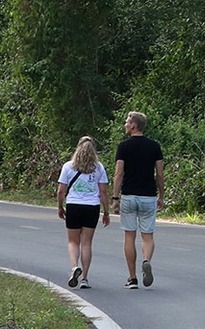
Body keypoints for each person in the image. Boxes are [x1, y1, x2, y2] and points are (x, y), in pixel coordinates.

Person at [113, 111, 164, 289]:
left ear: (134, 125)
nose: (125, 125)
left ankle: (132, 278)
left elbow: (119, 173)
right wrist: (161, 195)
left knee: (129, 235)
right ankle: (146, 260)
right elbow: (159, 174)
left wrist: (115, 197)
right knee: (147, 236)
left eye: (127, 122)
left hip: (129, 195)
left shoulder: (123, 146)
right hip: (148, 196)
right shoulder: (154, 146)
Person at [56, 136, 111, 289]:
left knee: (73, 241)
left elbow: (61, 190)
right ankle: (85, 278)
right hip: (91, 207)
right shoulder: (99, 167)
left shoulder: (68, 166)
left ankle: (74, 267)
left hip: (73, 206)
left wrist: (60, 207)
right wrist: (106, 212)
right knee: (86, 243)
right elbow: (103, 192)